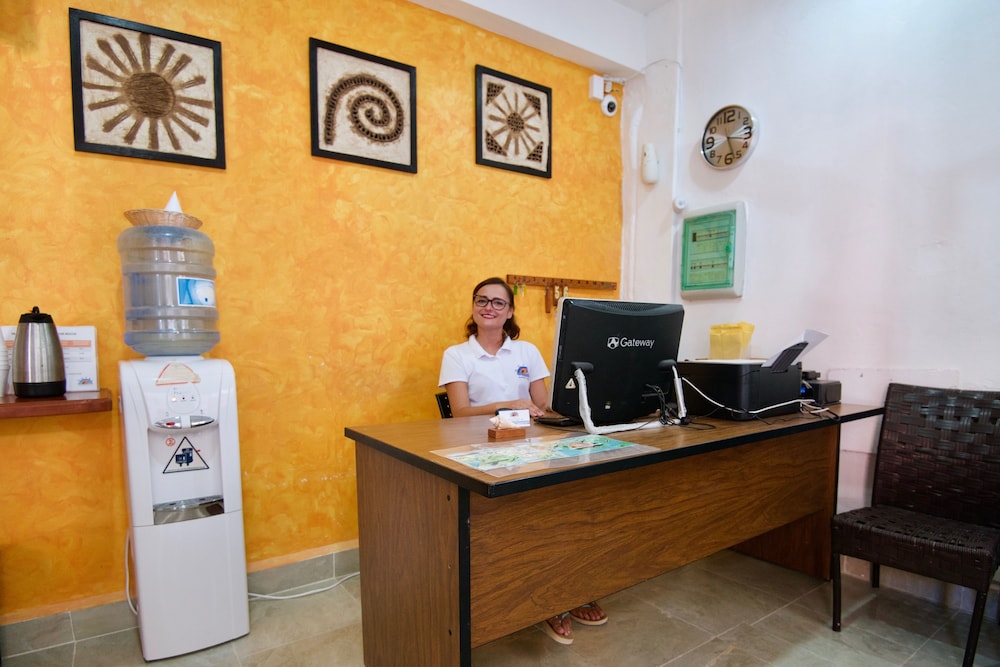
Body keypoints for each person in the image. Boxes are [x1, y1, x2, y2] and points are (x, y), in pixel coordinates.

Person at [438, 277, 608, 644]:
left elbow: (543, 405)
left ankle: (569, 585)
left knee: (571, 504)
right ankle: (544, 600)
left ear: (510, 311)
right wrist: (508, 405)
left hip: (531, 448)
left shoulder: (526, 351)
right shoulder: (457, 355)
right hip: (480, 451)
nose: (489, 307)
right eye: (482, 300)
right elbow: (459, 413)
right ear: (473, 307)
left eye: (498, 302)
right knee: (531, 521)